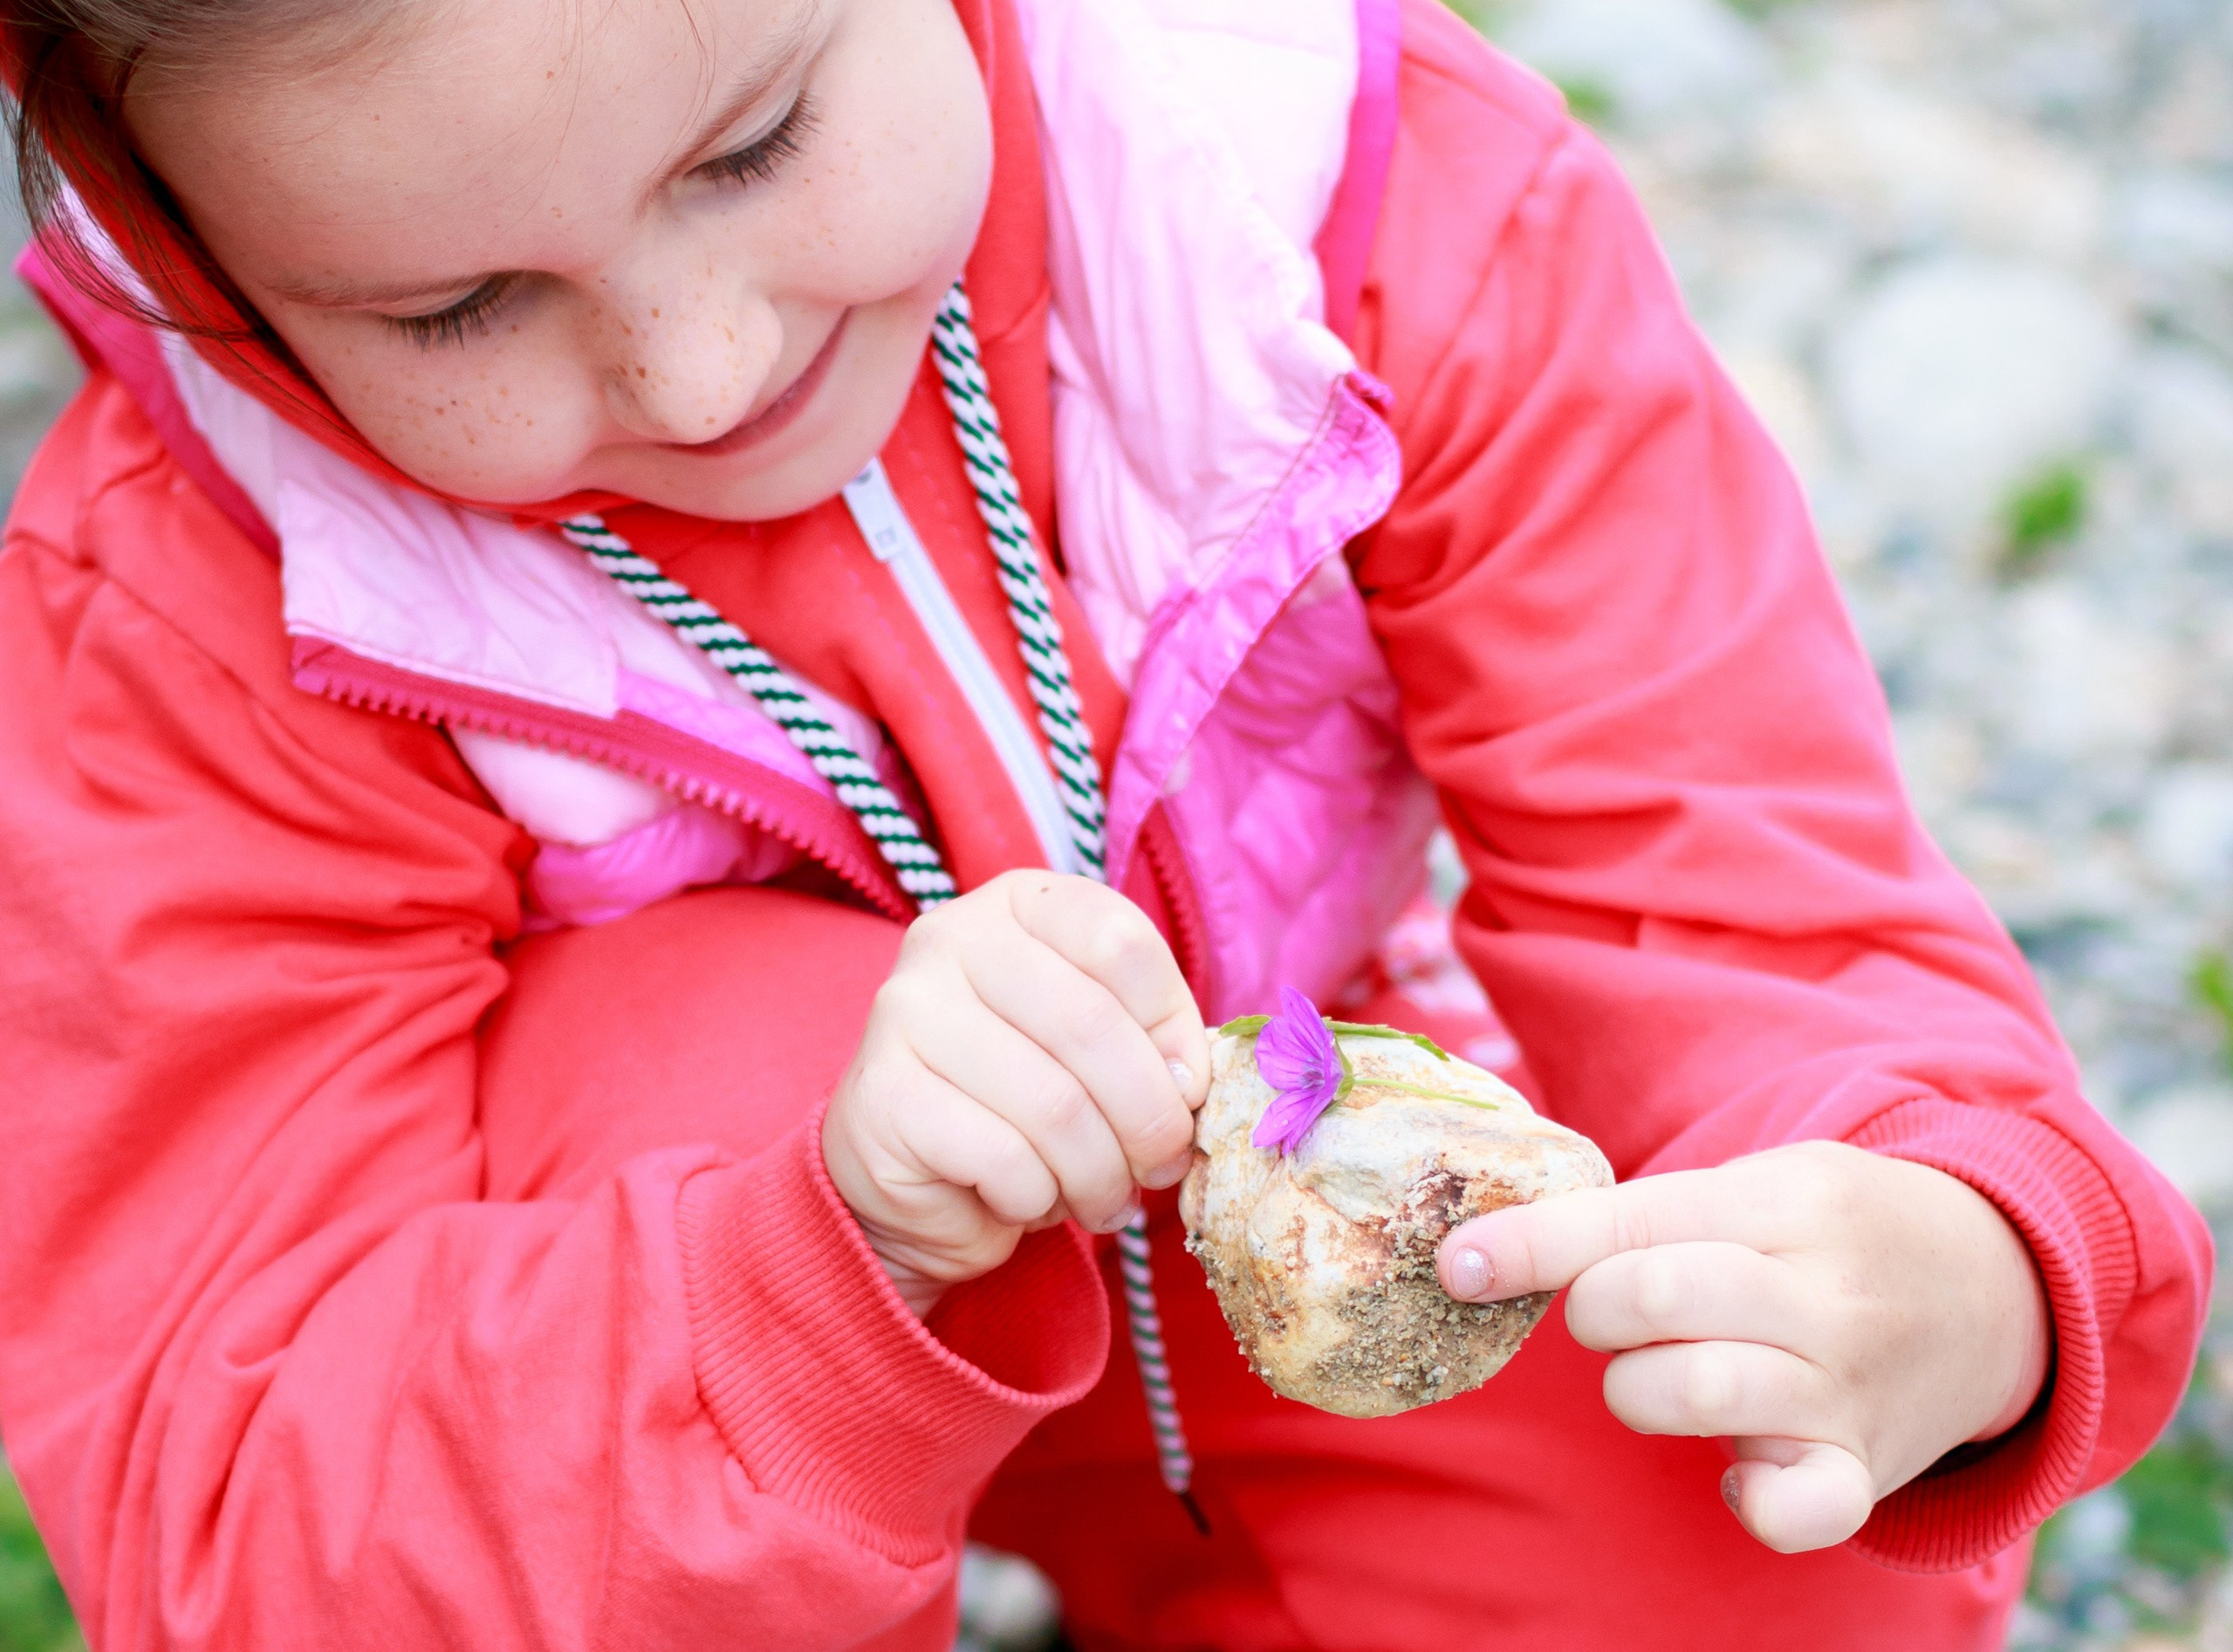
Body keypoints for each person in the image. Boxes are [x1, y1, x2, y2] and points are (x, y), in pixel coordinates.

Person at [0, 0, 2207, 1646]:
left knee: (1749, 1513)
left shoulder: (1337, 217)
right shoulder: (189, 606)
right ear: (171, 234)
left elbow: (1726, 875)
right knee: (746, 1052)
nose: (695, 369)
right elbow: (233, 1500)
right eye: (452, 307)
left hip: (1305, 1152)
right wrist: (831, 1248)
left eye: (754, 142)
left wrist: (1963, 1246)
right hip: (673, 1363)